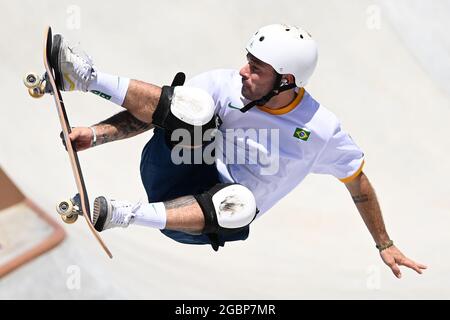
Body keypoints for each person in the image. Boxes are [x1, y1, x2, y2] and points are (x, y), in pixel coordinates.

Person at [48, 24, 426, 278]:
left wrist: (385, 243)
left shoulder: (321, 131)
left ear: (285, 81)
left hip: (202, 220)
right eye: (247, 60)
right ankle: (83, 77)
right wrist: (97, 134)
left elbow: (358, 185)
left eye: (256, 68)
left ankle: (123, 214)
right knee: (193, 105)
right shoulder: (222, 84)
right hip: (171, 169)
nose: (243, 71)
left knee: (241, 203)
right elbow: (157, 114)